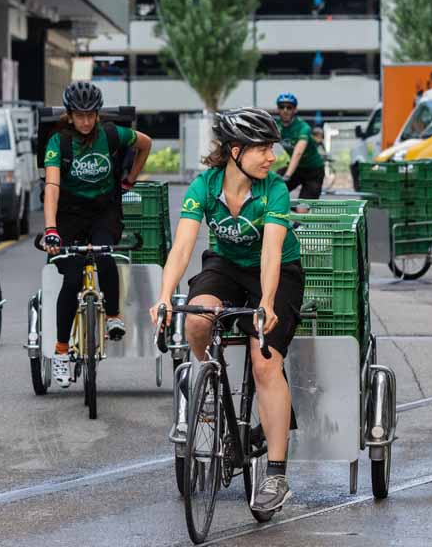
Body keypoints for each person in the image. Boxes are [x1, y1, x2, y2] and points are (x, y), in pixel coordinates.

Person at [150, 107, 305, 514]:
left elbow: (271, 251)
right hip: (225, 266)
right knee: (197, 316)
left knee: (264, 361)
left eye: (272, 148)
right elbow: (183, 247)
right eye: (262, 148)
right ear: (235, 151)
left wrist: (267, 302)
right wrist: (164, 296)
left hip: (277, 272)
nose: (271, 156)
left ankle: (276, 474)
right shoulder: (204, 186)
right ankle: (206, 386)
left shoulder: (274, 189)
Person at [43, 81, 152, 387]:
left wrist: (131, 178)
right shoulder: (59, 143)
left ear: (98, 114)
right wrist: (51, 230)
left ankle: (114, 317)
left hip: (104, 212)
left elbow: (146, 143)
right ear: (69, 116)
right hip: (68, 215)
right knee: (72, 278)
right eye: (79, 115)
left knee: (105, 256)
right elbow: (52, 186)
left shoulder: (112, 134)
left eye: (91, 115)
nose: (86, 121)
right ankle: (61, 352)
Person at [274, 93, 325, 199]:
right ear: (278, 109)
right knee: (273, 190)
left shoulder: (303, 127)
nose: (285, 110)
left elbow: (298, 153)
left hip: (313, 170)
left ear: (295, 110)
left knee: (303, 207)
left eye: (289, 107)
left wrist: (287, 176)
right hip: (297, 168)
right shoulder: (276, 126)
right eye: (282, 107)